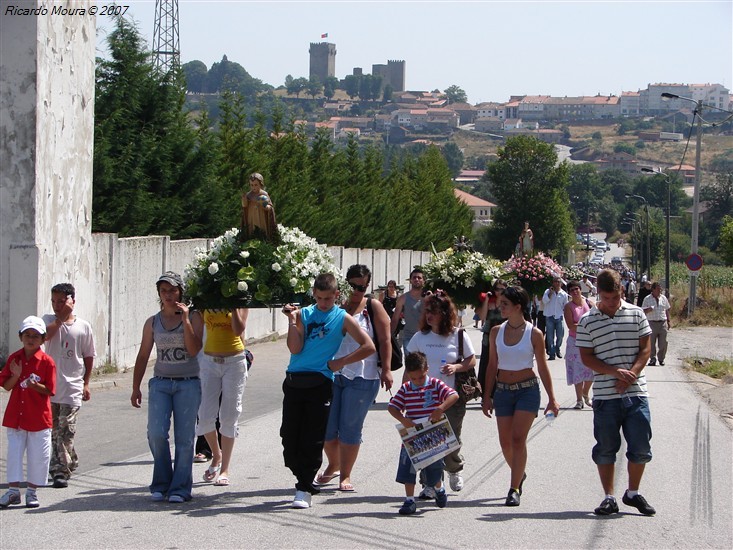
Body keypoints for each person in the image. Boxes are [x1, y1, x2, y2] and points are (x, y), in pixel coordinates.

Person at [280, 273, 375, 509]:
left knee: (313, 437)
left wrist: (341, 361)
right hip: (294, 379)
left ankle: (304, 488)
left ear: (336, 295)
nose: (323, 304)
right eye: (320, 298)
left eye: (328, 299)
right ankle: (302, 476)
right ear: (313, 294)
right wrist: (292, 322)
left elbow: (369, 346)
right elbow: (295, 347)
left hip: (320, 382)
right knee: (289, 437)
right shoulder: (303, 314)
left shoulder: (342, 317)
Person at [576, 269, 656, 517]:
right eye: (606, 298)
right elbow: (586, 357)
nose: (611, 303)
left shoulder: (637, 313)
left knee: (641, 446)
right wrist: (614, 372)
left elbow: (645, 349)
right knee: (606, 447)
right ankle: (609, 496)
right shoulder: (587, 321)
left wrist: (630, 373)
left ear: (622, 291)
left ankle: (633, 492)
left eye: (615, 297)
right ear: (598, 293)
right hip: (605, 396)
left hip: (636, 392)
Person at [317, 265, 394, 492]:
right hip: (332, 374)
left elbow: (385, 340)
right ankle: (334, 464)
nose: (357, 291)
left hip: (363, 374)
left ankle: (346, 475)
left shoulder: (373, 307)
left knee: (349, 427)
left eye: (362, 287)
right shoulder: (334, 305)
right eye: (352, 285)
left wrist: (387, 369)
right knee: (328, 429)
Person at [482, 286, 559, 507]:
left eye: (505, 303)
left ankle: (514, 487)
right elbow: (492, 366)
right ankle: (519, 472)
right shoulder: (496, 331)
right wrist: (487, 396)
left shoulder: (534, 334)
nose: (500, 306)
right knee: (505, 442)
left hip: (527, 390)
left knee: (517, 439)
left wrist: (552, 398)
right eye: (500, 302)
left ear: (518, 307)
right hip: (503, 391)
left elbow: (543, 368)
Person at [130, 272, 203, 503]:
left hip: (188, 383)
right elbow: (143, 356)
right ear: (159, 294)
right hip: (161, 383)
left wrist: (186, 320)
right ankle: (161, 482)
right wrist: (135, 387)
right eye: (164, 291)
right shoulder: (153, 322)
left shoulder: (195, 317)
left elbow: (193, 350)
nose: (169, 295)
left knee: (184, 438)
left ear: (181, 291)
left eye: (172, 290)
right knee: (156, 433)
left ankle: (180, 488)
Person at [406, 291, 476, 495]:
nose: (429, 315)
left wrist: (456, 368)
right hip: (424, 399)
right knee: (427, 441)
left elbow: (471, 360)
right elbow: (410, 366)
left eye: (434, 312)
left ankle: (454, 469)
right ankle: (430, 484)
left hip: (451, 397)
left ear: (445, 314)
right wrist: (405, 394)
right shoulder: (420, 337)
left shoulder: (458, 335)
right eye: (427, 311)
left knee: (451, 438)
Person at [388, 351, 458, 515]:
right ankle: (409, 500)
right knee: (408, 467)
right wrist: (404, 420)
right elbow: (392, 407)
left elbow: (453, 395)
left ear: (427, 369)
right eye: (413, 378)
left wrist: (440, 408)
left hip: (432, 434)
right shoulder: (406, 388)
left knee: (433, 467)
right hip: (412, 435)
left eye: (420, 377)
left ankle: (438, 489)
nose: (417, 382)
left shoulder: (435, 384)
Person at [42, 283, 96, 489]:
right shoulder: (47, 321)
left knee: (66, 429)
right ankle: (69, 459)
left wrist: (86, 383)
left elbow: (89, 355)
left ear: (72, 301)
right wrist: (59, 320)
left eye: (62, 301)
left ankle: (59, 472)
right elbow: (44, 337)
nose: (57, 305)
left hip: (72, 387)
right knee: (54, 430)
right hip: (49, 387)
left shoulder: (83, 326)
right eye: (54, 301)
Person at [0, 316, 56, 509]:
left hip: (38, 417)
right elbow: (6, 386)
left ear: (43, 339)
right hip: (16, 415)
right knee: (14, 453)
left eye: (35, 336)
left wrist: (35, 385)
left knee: (38, 455)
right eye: (27, 335)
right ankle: (13, 491)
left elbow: (50, 390)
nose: (30, 339)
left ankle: (32, 491)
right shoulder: (14, 359)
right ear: (21, 336)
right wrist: (16, 375)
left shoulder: (47, 362)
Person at [196, 307, 249, 487]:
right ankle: (216, 454)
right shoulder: (207, 300)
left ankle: (224, 468)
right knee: (204, 416)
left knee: (229, 415)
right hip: (210, 362)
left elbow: (239, 329)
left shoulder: (239, 301)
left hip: (234, 362)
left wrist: (233, 306)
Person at [563, 281, 594, 409]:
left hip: (589, 341)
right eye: (572, 290)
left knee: (592, 369)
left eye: (576, 289)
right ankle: (579, 399)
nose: (575, 292)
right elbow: (571, 325)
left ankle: (585, 392)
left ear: (581, 289)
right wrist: (586, 326)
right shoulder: (568, 307)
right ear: (569, 293)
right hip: (574, 342)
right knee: (576, 370)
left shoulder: (588, 303)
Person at [477, 280, 508, 399]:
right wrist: (486, 300)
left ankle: (499, 391)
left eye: (502, 289)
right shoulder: (490, 302)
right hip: (488, 336)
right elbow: (482, 317)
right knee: (486, 363)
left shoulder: (507, 303)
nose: (499, 292)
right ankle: (486, 392)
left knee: (501, 364)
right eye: (497, 289)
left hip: (503, 336)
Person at [390, 268, 426, 358]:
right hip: (409, 337)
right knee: (411, 367)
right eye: (414, 278)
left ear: (424, 281)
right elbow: (395, 319)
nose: (416, 279)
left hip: (426, 336)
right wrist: (389, 335)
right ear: (410, 280)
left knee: (426, 366)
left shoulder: (428, 298)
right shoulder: (403, 298)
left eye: (419, 278)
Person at [241, 172, 277, 241]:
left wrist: (264, 205)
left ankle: (264, 240)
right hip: (251, 217)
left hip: (261, 217)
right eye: (252, 185)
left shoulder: (263, 194)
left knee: (262, 230)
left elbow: (270, 207)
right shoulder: (249, 195)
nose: (253, 187)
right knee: (252, 229)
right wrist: (244, 199)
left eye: (256, 185)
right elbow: (244, 206)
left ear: (260, 184)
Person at [642, 282, 671, 366]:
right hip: (651, 323)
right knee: (651, 342)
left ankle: (661, 359)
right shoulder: (647, 299)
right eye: (658, 289)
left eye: (660, 289)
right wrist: (648, 310)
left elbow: (666, 309)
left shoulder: (663, 298)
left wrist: (668, 321)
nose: (660, 290)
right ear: (653, 289)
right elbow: (643, 311)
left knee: (663, 342)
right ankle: (652, 359)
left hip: (662, 323)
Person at [542, 277, 569, 360]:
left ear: (561, 283)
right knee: (550, 337)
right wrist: (550, 293)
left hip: (559, 316)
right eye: (555, 282)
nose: (557, 283)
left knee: (560, 335)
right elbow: (544, 301)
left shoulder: (564, 294)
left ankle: (557, 348)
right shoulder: (547, 292)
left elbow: (566, 306)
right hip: (549, 316)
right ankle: (552, 353)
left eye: (558, 282)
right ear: (553, 283)